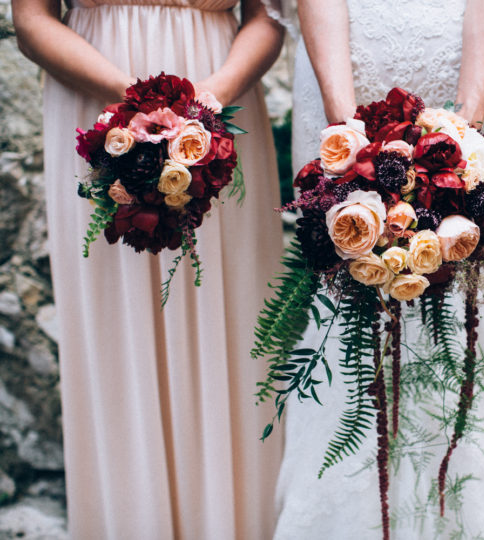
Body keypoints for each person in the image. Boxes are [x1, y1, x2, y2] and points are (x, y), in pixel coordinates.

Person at [270, 1, 484, 538]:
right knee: (349, 268)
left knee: (460, 276)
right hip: (347, 59)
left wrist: (465, 137)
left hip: (463, 57)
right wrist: (352, 147)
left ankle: (462, 494)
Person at [12, 1, 286, 537]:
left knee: (228, 320)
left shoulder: (214, 102)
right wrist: (133, 100)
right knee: (119, 326)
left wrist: (208, 102)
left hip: (217, 108)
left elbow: (268, 15)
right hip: (96, 99)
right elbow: (31, 20)